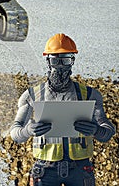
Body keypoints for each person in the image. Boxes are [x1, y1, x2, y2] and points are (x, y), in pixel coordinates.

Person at [10, 33, 115, 186]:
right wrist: (28, 130)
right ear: (48, 61)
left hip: (80, 169)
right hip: (45, 169)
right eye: (55, 60)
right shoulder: (31, 95)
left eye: (65, 60)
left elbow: (108, 131)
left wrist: (96, 130)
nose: (59, 67)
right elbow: (15, 134)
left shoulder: (90, 95)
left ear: (72, 62)